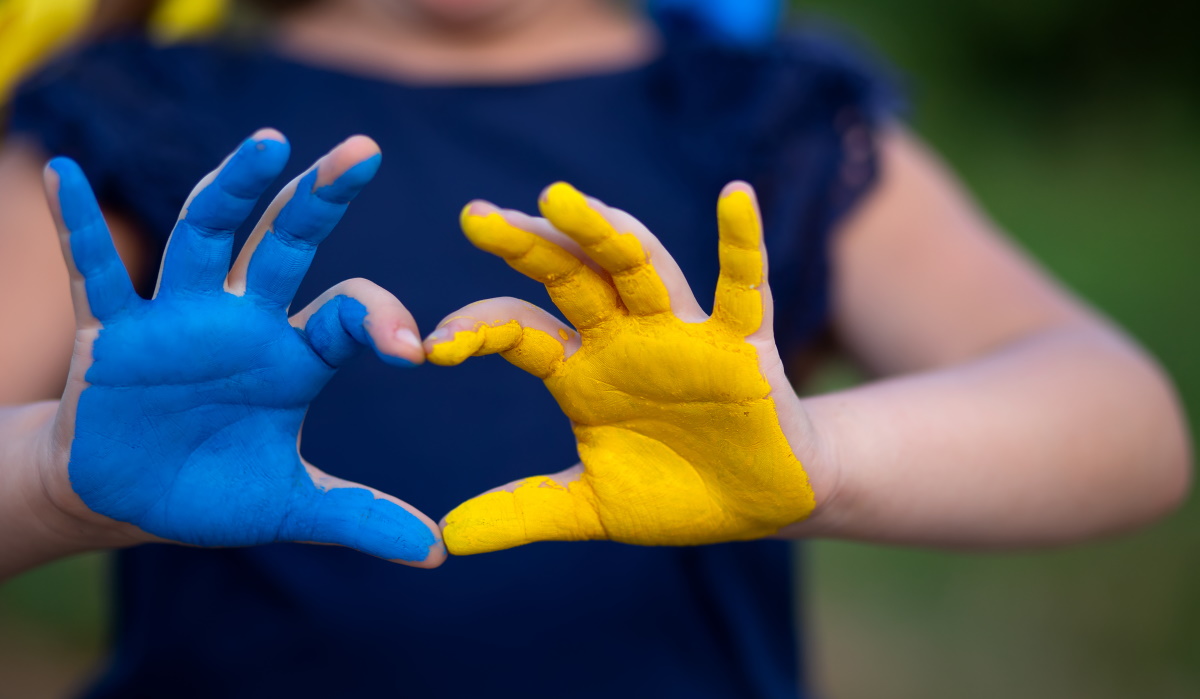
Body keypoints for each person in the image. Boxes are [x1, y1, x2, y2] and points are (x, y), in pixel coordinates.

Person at [0, 0, 1190, 697]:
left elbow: (1123, 422)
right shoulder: (134, 117)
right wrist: (57, 474)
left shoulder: (759, 116)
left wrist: (821, 454)